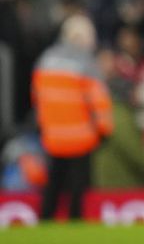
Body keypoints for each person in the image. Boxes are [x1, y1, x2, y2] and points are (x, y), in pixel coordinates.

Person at [32, 14, 113, 220]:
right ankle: (75, 222)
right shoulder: (86, 62)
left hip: (53, 135)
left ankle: (45, 221)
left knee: (53, 184)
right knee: (78, 189)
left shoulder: (46, 59)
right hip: (80, 137)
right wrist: (104, 131)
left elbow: (37, 97)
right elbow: (99, 102)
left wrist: (43, 126)